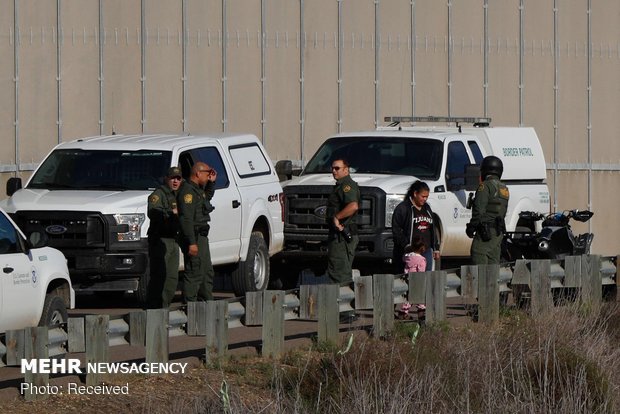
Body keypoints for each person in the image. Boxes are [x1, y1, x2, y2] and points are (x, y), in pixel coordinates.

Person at [177, 162, 217, 302]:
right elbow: (186, 219)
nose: (208, 176)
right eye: (207, 173)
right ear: (198, 173)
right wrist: (192, 242)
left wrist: (211, 183)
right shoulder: (187, 192)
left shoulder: (197, 190)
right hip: (193, 236)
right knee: (195, 271)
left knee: (206, 272)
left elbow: (206, 199)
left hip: (201, 236)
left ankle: (206, 303)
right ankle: (190, 305)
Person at [146, 166, 183, 308]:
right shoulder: (159, 194)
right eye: (173, 178)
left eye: (178, 178)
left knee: (172, 279)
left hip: (174, 240)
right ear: (166, 179)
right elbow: (153, 212)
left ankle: (164, 306)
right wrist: (171, 212)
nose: (175, 181)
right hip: (161, 240)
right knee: (159, 276)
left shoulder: (179, 195)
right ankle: (152, 309)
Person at [466, 155, 510, 264]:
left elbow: (479, 211)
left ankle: (482, 282)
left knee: (478, 254)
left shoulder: (485, 186)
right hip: (497, 233)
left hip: (485, 232)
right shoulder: (504, 188)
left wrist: (471, 227)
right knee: (493, 264)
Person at [391, 180, 440, 273]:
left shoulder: (427, 208)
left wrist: (436, 248)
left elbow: (432, 229)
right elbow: (396, 230)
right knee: (411, 279)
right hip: (410, 251)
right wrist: (406, 245)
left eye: (427, 197)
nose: (425, 199)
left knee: (426, 277)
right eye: (423, 196)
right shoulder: (403, 208)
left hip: (426, 250)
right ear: (415, 193)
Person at [326, 158, 360, 284]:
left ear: (346, 170)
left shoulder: (346, 186)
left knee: (339, 275)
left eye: (337, 168)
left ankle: (341, 302)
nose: (333, 171)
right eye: (332, 168)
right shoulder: (340, 185)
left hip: (342, 237)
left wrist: (337, 217)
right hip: (337, 236)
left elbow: (353, 206)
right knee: (337, 271)